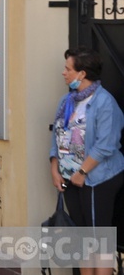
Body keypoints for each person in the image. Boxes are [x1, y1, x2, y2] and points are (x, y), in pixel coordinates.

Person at [50, 46, 124, 275]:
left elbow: (106, 144)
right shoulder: (67, 100)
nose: (63, 72)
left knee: (98, 238)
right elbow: (56, 135)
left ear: (82, 74)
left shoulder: (104, 102)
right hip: (70, 178)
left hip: (96, 179)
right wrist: (55, 168)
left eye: (68, 68)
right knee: (82, 236)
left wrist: (82, 172)